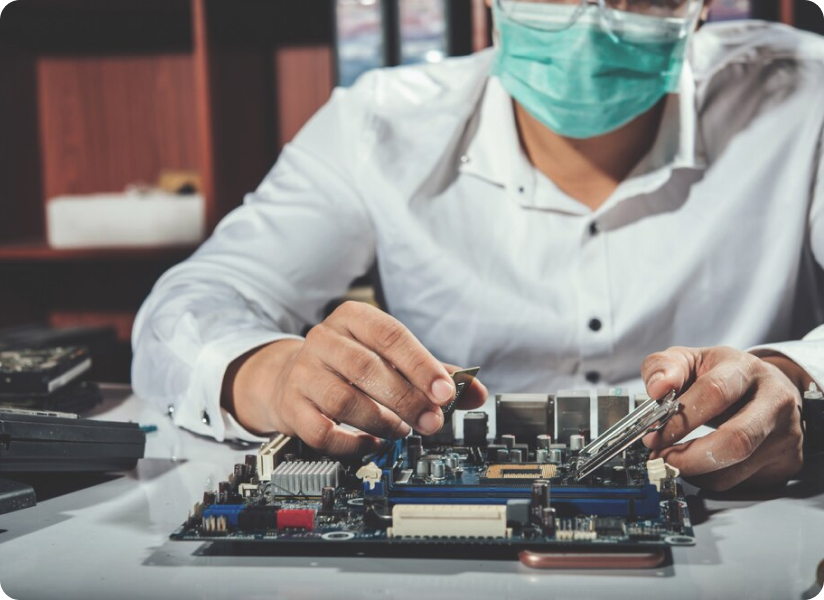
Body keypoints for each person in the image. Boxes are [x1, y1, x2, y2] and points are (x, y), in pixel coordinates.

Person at [132, 0, 824, 492]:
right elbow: (187, 310)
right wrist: (270, 376)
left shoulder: (808, 94)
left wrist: (793, 376)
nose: (592, 18)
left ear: (704, 6)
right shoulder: (376, 124)